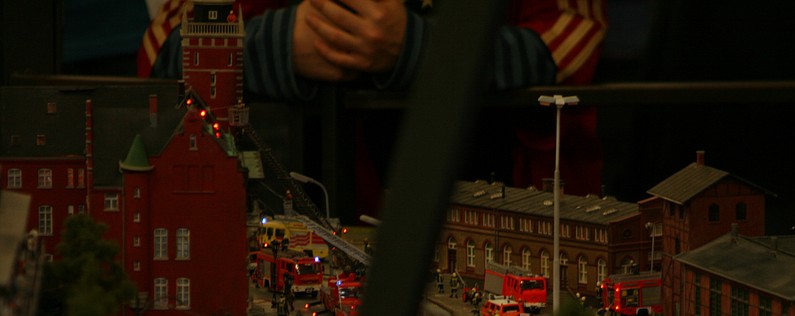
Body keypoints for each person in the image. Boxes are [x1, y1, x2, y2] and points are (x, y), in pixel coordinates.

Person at [139, 0, 608, 213]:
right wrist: (274, 46)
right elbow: (161, 53)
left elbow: (569, 43)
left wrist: (423, 50)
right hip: (308, 206)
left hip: (492, 202)